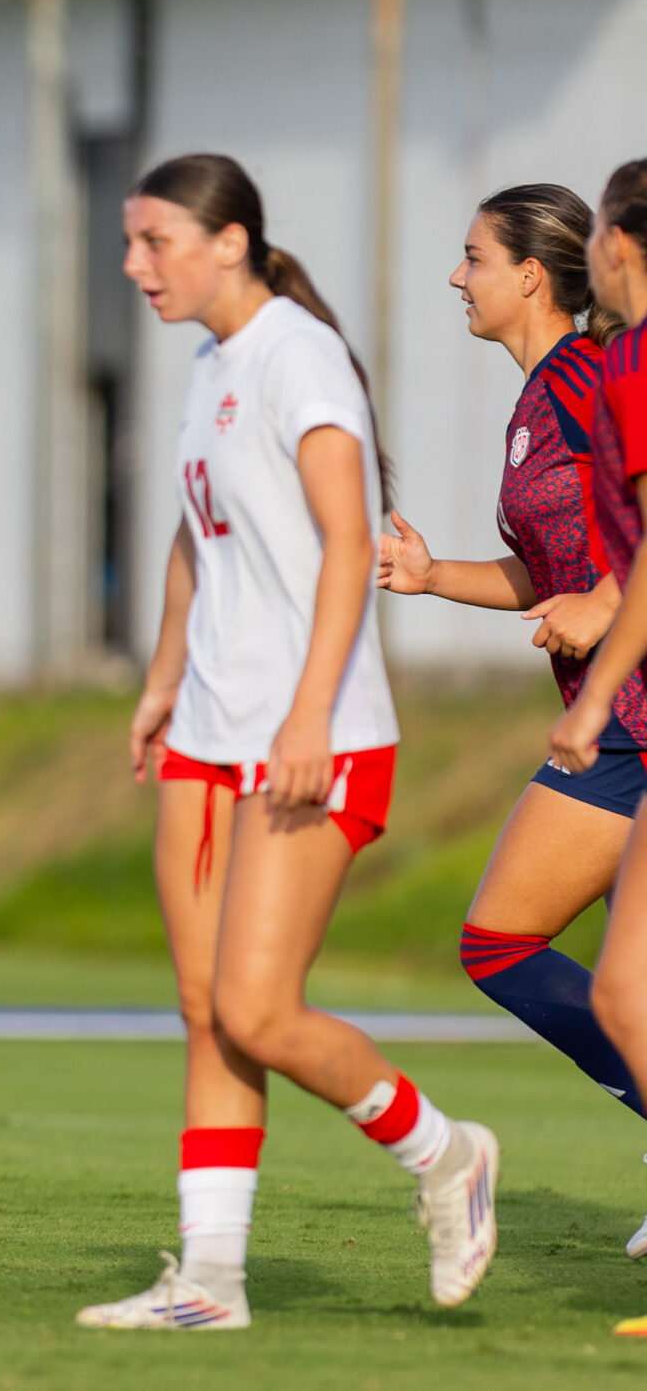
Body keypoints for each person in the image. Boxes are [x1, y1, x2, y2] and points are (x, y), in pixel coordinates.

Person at [78, 153, 497, 1332]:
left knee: (258, 1010)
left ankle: (446, 1154)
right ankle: (209, 1283)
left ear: (229, 242)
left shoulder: (295, 355)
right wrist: (164, 677)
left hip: (315, 736)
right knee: (206, 1010)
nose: (133, 264)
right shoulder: (209, 363)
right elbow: (192, 532)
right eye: (130, 241)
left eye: (153, 241)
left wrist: (309, 711)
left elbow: (348, 540)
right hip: (207, 734)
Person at [379, 187, 647, 1199]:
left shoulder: (590, 375)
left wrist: (607, 599)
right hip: (612, 713)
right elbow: (549, 571)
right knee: (630, 989)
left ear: (531, 275)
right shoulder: (539, 398)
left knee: (498, 941)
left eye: (474, 257)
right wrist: (431, 575)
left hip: (630, 717)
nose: (457, 277)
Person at [542, 159, 647, 1337]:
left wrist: (595, 696)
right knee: (622, 989)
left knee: (620, 989)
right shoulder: (616, 361)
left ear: (614, 242)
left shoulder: (626, 364)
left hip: (633, 716)